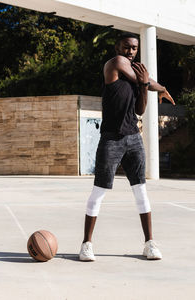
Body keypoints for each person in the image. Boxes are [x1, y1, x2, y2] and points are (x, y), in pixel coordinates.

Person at [79, 32, 175, 261]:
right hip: (111, 139)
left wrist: (146, 86)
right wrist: (159, 87)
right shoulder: (115, 64)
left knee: (140, 190)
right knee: (99, 191)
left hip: (133, 139)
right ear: (117, 47)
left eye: (134, 48)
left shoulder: (136, 78)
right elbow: (143, 79)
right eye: (127, 47)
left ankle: (149, 244)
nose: (131, 51)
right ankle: (86, 245)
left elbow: (140, 110)